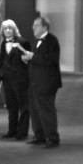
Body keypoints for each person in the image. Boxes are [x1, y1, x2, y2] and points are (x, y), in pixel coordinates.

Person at [22, 16, 62, 149]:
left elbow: (51, 60)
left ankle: (52, 138)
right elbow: (39, 60)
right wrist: (28, 58)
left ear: (45, 27)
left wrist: (33, 56)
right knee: (35, 110)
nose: (33, 28)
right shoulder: (37, 41)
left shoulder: (52, 40)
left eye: (36, 25)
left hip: (47, 83)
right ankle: (39, 136)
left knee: (46, 111)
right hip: (35, 82)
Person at [0, 19, 31, 140]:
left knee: (23, 107)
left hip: (20, 79)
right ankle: (12, 130)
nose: (8, 31)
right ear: (2, 32)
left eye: (10, 28)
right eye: (5, 29)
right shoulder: (4, 43)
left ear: (14, 30)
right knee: (11, 106)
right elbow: (0, 61)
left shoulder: (23, 42)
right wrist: (0, 75)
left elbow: (28, 61)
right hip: (7, 80)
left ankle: (22, 132)